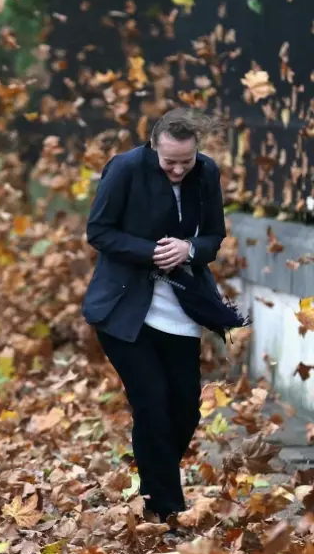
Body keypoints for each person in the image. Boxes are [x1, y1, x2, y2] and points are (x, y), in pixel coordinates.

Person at [82, 108, 245, 525]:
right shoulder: (125, 168)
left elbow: (213, 236)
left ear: (197, 153)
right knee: (151, 404)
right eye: (169, 161)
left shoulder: (205, 173)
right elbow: (98, 231)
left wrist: (189, 249)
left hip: (180, 306)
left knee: (185, 410)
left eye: (184, 162)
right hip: (124, 309)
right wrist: (150, 251)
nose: (176, 170)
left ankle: (154, 482)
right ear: (153, 146)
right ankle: (165, 507)